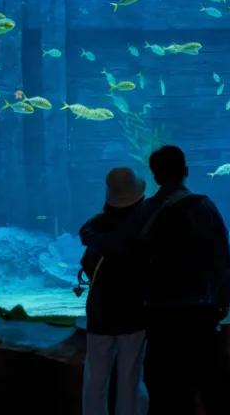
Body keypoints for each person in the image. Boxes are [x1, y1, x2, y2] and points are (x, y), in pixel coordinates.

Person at [81, 145, 230, 415]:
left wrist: (88, 233)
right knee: (215, 387)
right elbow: (223, 257)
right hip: (203, 312)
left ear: (154, 176)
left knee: (167, 392)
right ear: (186, 171)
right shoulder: (205, 206)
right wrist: (223, 298)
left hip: (162, 316)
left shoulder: (148, 212)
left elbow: (116, 246)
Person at [80, 167, 150, 415]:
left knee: (95, 379)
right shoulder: (144, 229)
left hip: (100, 313)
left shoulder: (96, 229)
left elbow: (88, 265)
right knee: (130, 378)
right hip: (134, 313)